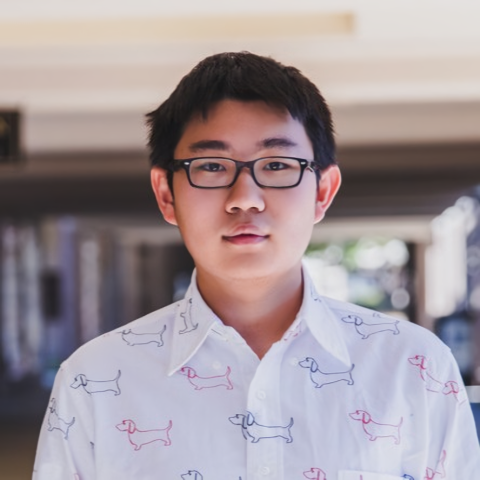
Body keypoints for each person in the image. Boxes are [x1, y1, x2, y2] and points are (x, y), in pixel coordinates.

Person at [33, 52, 480, 480]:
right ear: (166, 193)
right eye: (210, 165)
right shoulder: (94, 381)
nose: (245, 196)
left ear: (323, 191)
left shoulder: (413, 367)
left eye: (278, 164)